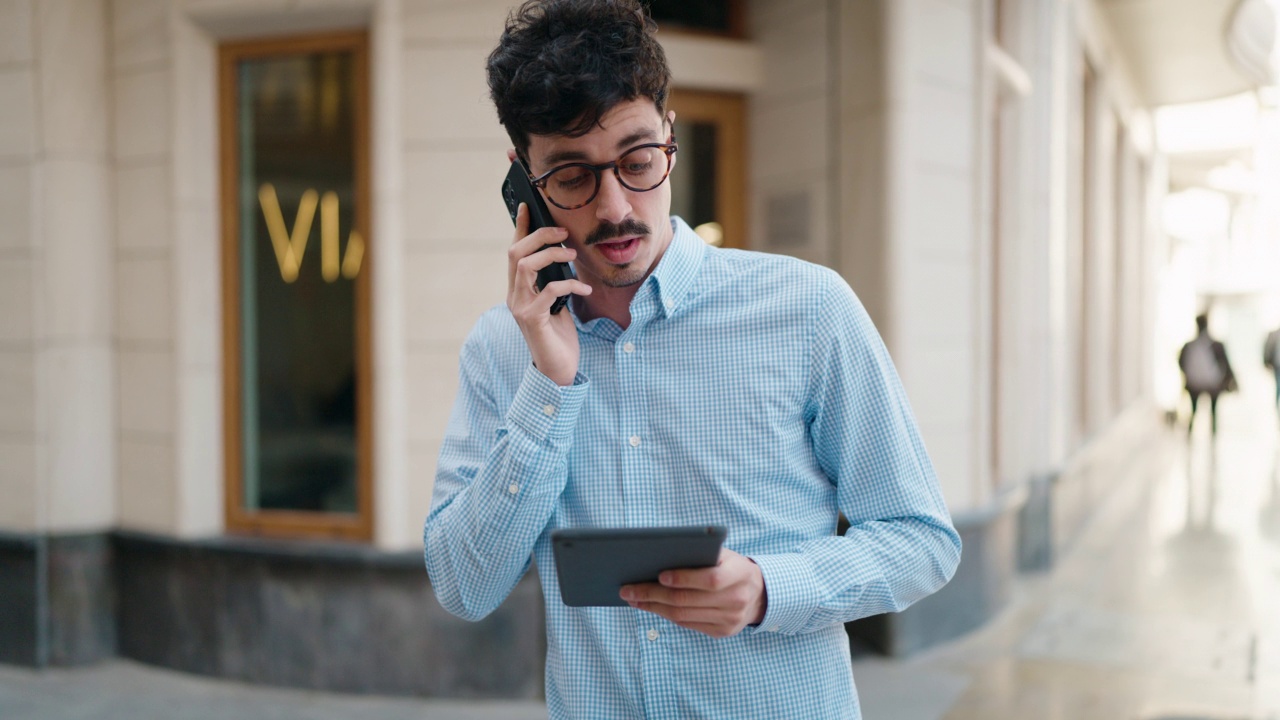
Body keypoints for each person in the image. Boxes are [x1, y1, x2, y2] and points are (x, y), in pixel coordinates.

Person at [423, 1, 961, 717]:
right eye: (573, 177)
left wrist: (771, 588)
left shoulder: (808, 310)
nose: (615, 207)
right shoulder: (502, 349)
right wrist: (549, 388)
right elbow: (465, 586)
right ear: (524, 182)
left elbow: (920, 540)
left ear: (670, 137)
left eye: (638, 160)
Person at [1178, 313, 1236, 437]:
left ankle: (1190, 434)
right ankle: (1213, 435)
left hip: (1194, 384)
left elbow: (1181, 363)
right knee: (1213, 411)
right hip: (1212, 384)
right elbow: (1225, 363)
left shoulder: (1189, 346)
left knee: (1194, 410)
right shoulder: (1216, 345)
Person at [1265, 324, 1280, 418]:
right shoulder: (1274, 334)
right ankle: (1277, 409)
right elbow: (1268, 349)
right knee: (1278, 387)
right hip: (1278, 366)